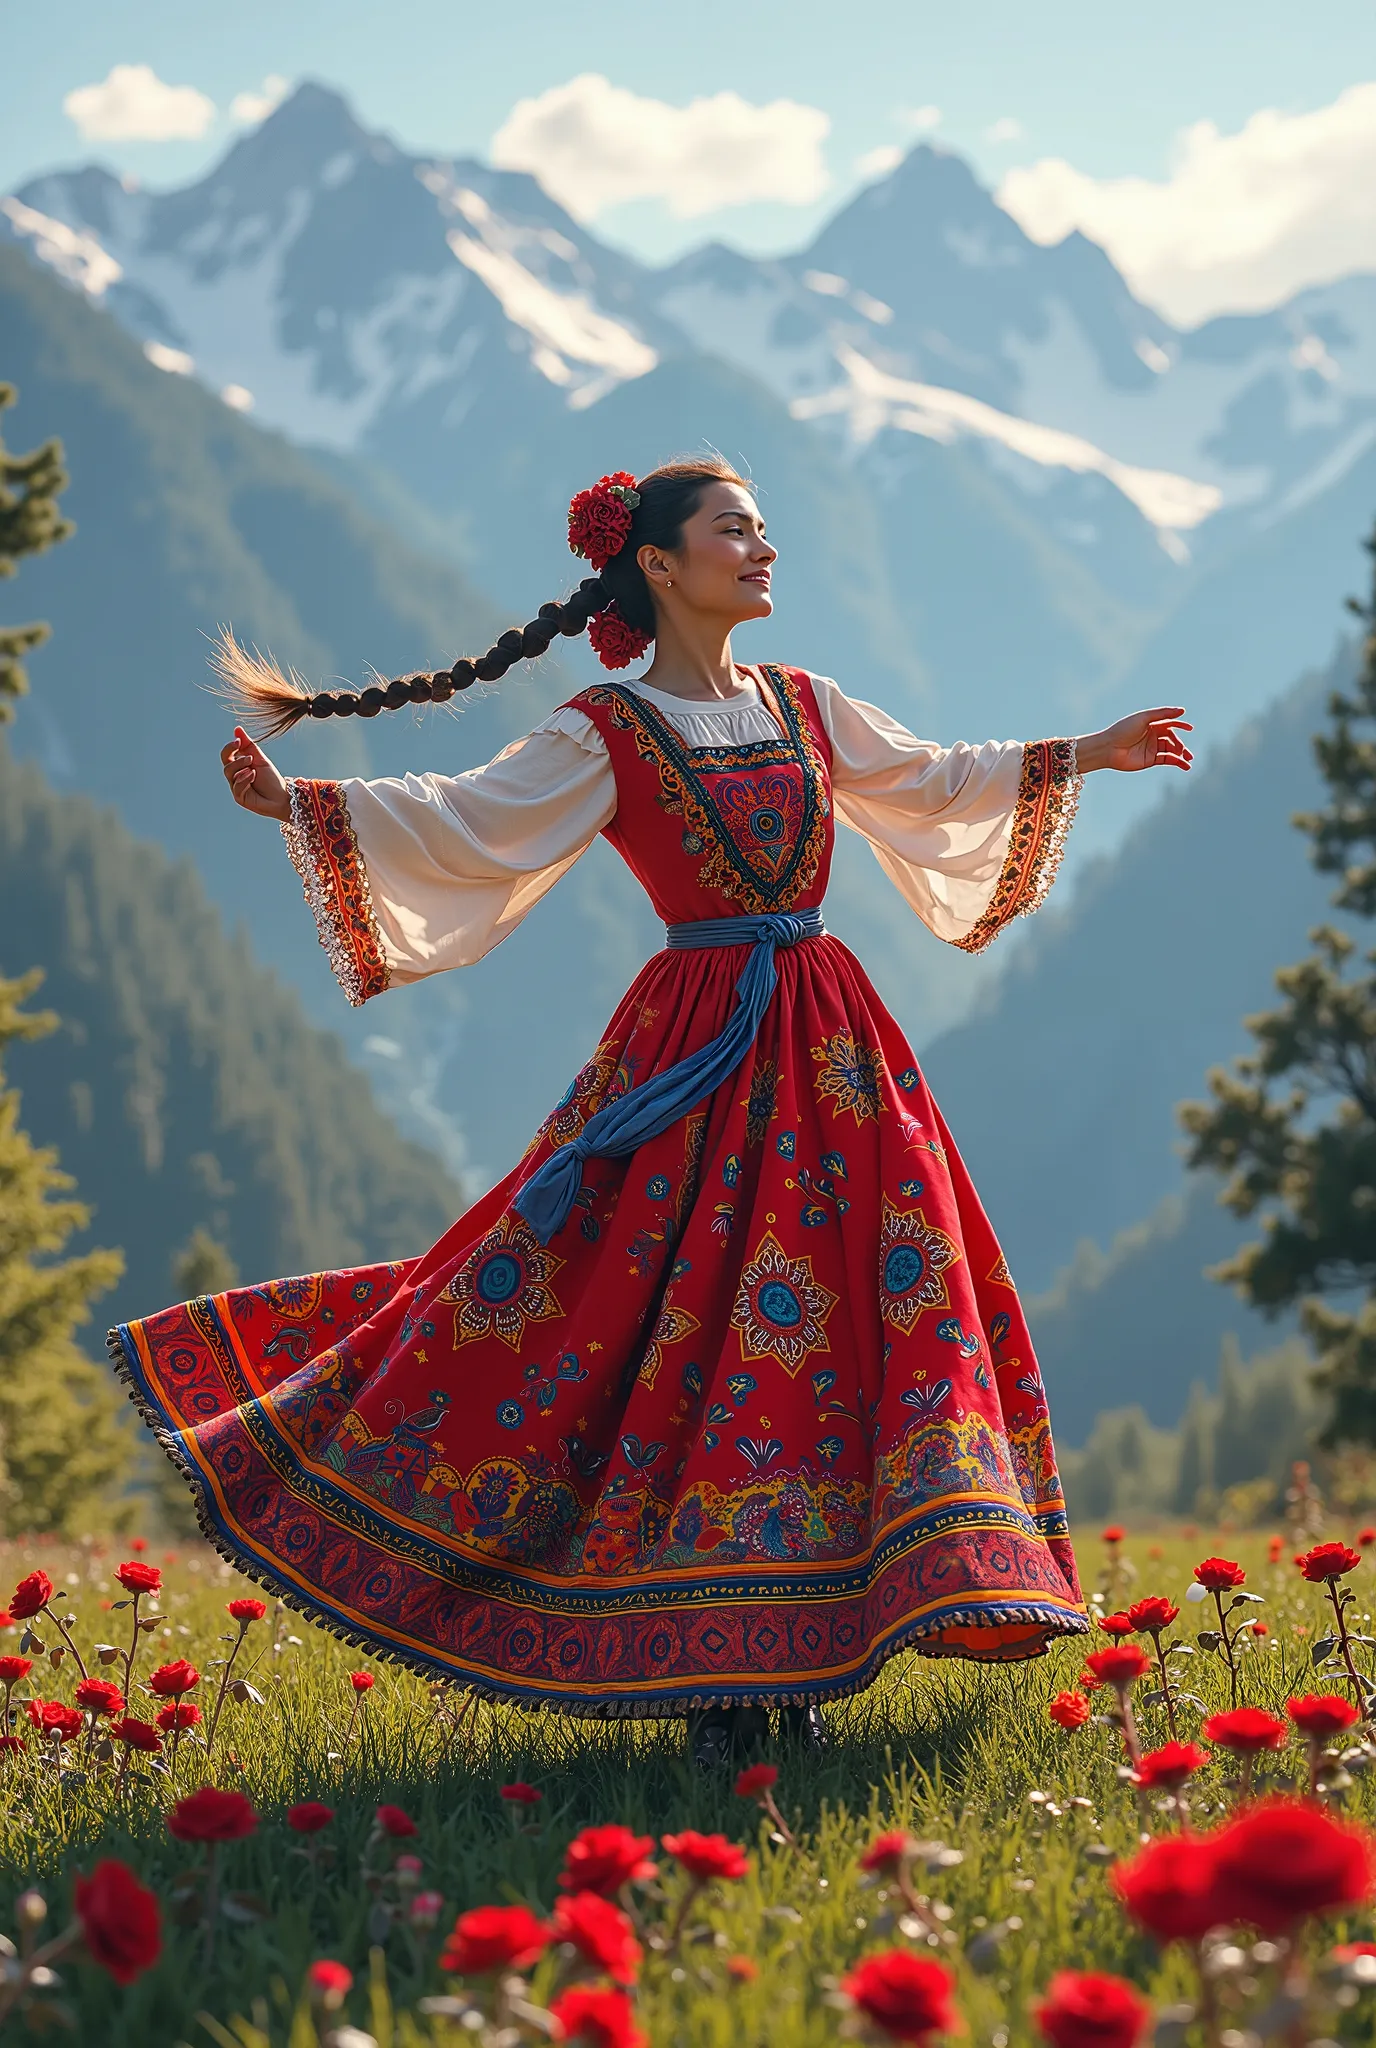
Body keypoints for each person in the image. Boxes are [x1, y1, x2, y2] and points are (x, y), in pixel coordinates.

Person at [110, 457, 1192, 1765]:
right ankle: (722, 1666)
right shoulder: (604, 732)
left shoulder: (809, 705)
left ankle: (814, 1636)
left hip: (835, 1049)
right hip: (692, 1053)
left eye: (764, 526)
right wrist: (299, 803)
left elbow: (933, 777)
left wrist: (1094, 749)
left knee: (852, 1320)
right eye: (735, 528)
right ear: (663, 567)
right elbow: (469, 821)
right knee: (653, 1317)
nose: (764, 547)